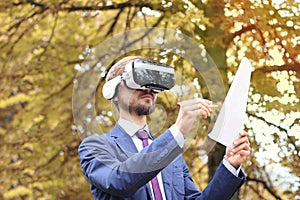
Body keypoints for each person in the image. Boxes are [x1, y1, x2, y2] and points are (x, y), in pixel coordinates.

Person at [78, 56, 251, 200]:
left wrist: (230, 164)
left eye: (152, 81)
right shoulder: (94, 147)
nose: (148, 88)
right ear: (113, 92)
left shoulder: (173, 156)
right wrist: (177, 131)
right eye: (138, 78)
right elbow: (119, 181)